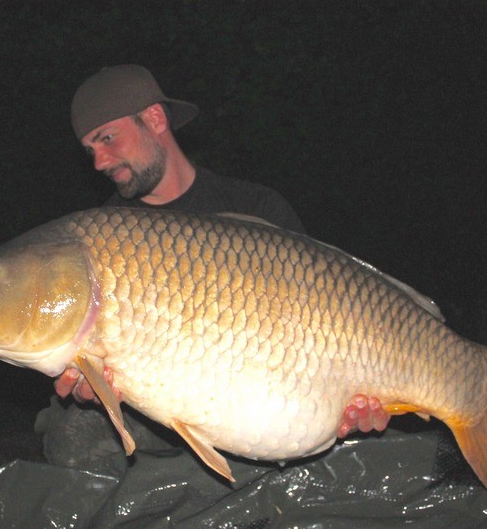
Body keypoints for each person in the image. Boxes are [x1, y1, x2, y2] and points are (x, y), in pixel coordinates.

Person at [49, 64, 388, 453]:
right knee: (68, 425)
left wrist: (352, 403)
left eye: (107, 138)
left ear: (155, 119)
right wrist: (94, 390)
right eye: (90, 150)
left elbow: (330, 321)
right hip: (164, 422)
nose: (99, 162)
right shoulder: (104, 239)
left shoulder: (255, 206)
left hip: (271, 403)